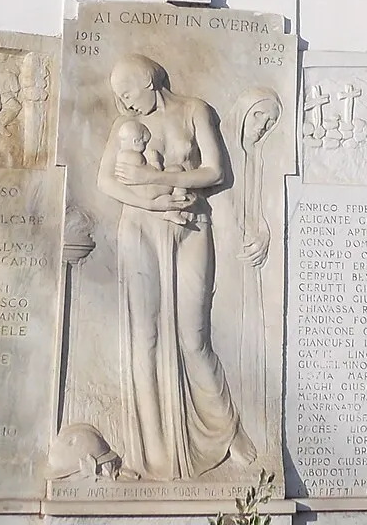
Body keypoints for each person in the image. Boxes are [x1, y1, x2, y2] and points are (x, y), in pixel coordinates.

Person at [96, 54, 255, 480]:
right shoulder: (123, 128)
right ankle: (146, 456)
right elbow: (106, 181)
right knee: (144, 338)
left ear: (149, 80)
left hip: (191, 225)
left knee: (193, 336)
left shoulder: (194, 111)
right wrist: (155, 202)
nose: (125, 104)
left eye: (128, 92)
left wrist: (154, 180)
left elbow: (215, 172)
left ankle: (226, 429)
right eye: (119, 98)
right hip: (143, 228)